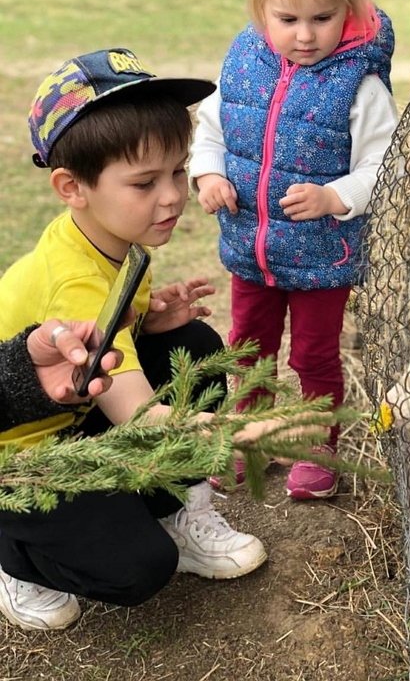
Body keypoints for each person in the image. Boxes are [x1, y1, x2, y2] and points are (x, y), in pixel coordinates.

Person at [0, 48, 268, 632]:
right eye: (145, 182)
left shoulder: (114, 237)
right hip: (22, 459)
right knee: (138, 568)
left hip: (75, 415)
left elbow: (104, 335)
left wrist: (146, 322)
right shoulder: (73, 280)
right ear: (73, 186)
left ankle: (175, 509)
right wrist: (250, 431)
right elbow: (140, 417)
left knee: (192, 342)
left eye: (178, 171)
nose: (172, 196)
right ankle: (16, 556)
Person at [189, 0, 398, 500]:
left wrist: (336, 195)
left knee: (312, 354)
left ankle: (315, 443)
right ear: (260, 11)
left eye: (322, 17)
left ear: (349, 7)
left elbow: (385, 164)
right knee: (248, 350)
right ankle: (246, 436)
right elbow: (210, 130)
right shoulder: (243, 66)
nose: (305, 35)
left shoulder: (358, 84)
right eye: (287, 18)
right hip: (250, 250)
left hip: (321, 260)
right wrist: (207, 175)